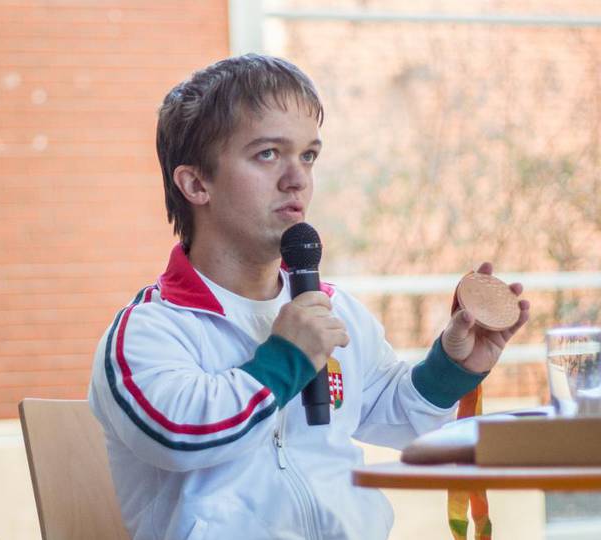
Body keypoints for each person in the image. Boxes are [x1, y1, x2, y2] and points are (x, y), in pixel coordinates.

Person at [87, 54, 530, 540]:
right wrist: (288, 359)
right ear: (196, 183)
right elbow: (177, 433)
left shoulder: (334, 311)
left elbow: (399, 415)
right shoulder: (150, 331)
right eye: (267, 154)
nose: (297, 178)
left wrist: (453, 367)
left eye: (308, 155)